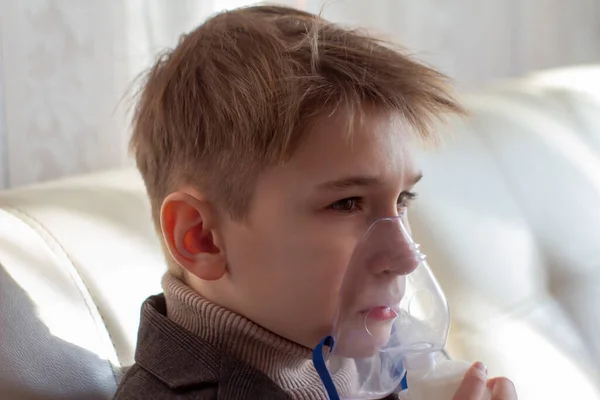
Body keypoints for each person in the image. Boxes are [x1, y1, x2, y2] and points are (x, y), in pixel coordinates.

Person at [114, 4, 517, 400]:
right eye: (347, 203)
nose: (406, 256)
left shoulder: (385, 351)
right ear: (201, 237)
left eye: (403, 200)